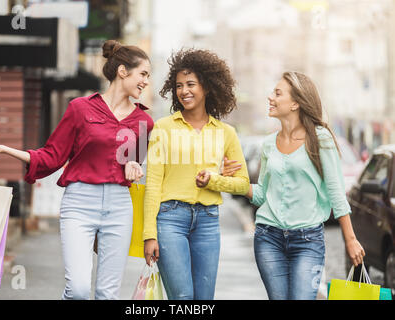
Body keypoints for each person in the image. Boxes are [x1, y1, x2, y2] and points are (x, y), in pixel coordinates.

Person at [0, 40, 154, 300]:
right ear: (123, 71)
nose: (146, 82)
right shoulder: (80, 108)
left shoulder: (144, 122)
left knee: (108, 294)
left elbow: (133, 164)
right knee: (78, 290)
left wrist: (135, 166)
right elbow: (51, 156)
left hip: (119, 208)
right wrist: (3, 149)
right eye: (143, 74)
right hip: (80, 204)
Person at [244, 71, 365, 300]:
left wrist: (350, 239)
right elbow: (261, 194)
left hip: (308, 241)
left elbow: (337, 192)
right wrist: (230, 182)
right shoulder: (269, 144)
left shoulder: (320, 139)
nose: (270, 97)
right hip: (268, 238)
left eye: (278, 93)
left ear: (296, 103)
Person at [142, 48, 250, 300]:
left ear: (208, 87)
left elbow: (243, 183)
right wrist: (149, 235)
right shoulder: (163, 128)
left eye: (191, 84)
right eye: (179, 85)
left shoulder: (226, 133)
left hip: (208, 221)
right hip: (170, 219)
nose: (184, 91)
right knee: (181, 297)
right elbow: (153, 184)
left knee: (204, 299)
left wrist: (214, 180)